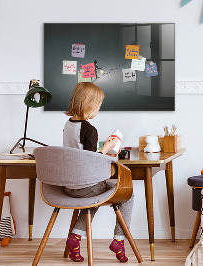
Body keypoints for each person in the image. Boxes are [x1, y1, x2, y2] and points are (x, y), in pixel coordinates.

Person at [63, 82, 133, 263]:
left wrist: (102, 149)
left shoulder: (68, 125)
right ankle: (119, 240)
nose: (98, 109)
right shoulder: (89, 129)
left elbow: (80, 154)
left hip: (69, 186)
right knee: (128, 194)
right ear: (89, 105)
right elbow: (91, 161)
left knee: (93, 197)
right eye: (98, 105)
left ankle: (75, 238)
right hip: (86, 186)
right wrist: (108, 148)